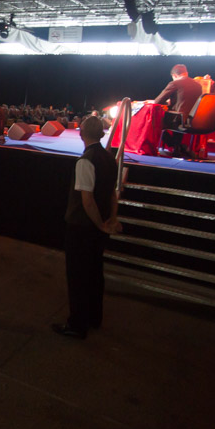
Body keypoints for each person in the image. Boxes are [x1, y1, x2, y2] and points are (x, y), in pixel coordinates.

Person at [52, 117, 120, 340]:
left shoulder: (85, 161)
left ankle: (78, 324)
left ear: (81, 133)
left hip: (82, 227)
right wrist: (110, 219)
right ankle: (94, 317)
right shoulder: (110, 159)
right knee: (94, 273)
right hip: (98, 228)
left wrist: (100, 223)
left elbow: (87, 201)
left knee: (78, 276)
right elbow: (112, 194)